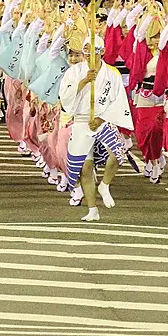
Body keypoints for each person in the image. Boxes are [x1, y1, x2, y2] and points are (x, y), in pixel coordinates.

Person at [56, 35, 133, 221]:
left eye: (94, 51)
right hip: (82, 121)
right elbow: (64, 97)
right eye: (86, 51)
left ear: (102, 52)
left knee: (117, 152)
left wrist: (101, 118)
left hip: (104, 119)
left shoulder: (111, 74)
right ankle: (92, 209)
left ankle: (105, 184)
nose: (89, 55)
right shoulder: (74, 72)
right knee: (85, 168)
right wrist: (83, 82)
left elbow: (119, 101)